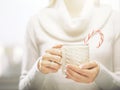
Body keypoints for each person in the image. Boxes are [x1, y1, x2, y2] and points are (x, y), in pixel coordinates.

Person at [19, 0, 120, 90]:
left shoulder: (114, 19)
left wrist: (100, 75)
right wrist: (38, 69)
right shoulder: (35, 22)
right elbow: (23, 87)